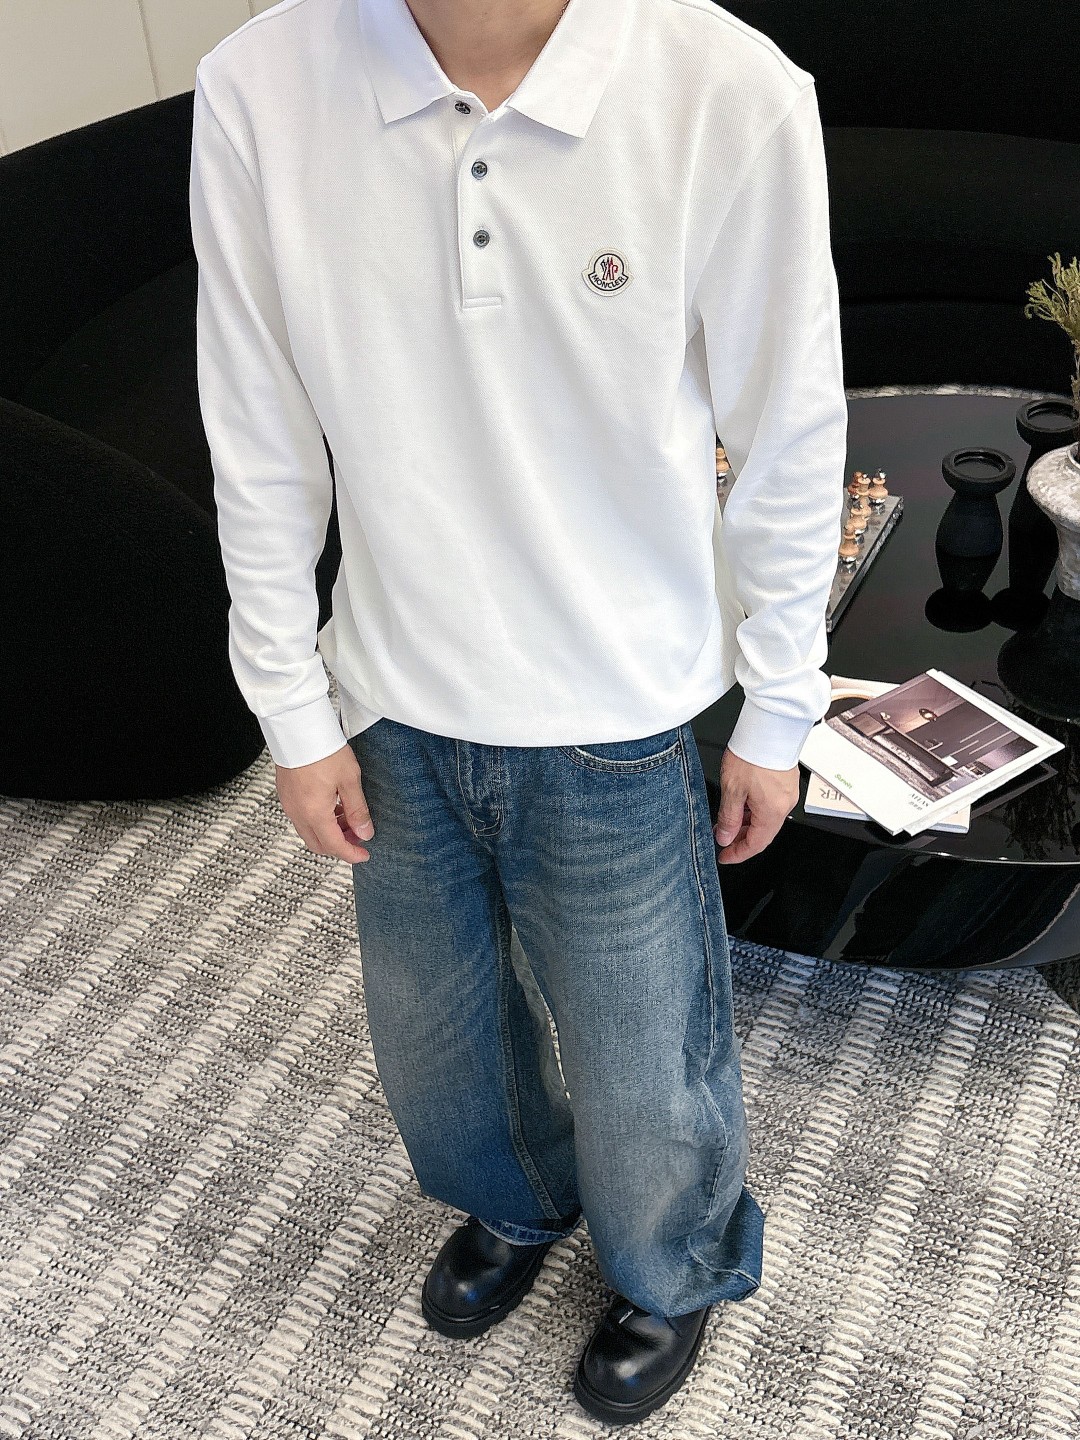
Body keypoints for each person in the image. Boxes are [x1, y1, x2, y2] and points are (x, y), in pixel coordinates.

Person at [189, 0, 847, 1424]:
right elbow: (256, 433)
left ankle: (670, 1267)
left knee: (644, 1051)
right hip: (391, 690)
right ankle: (514, 1199)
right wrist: (291, 707)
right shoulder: (257, 85)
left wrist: (780, 706)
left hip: (620, 700)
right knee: (437, 1041)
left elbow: (790, 427)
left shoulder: (726, 87)